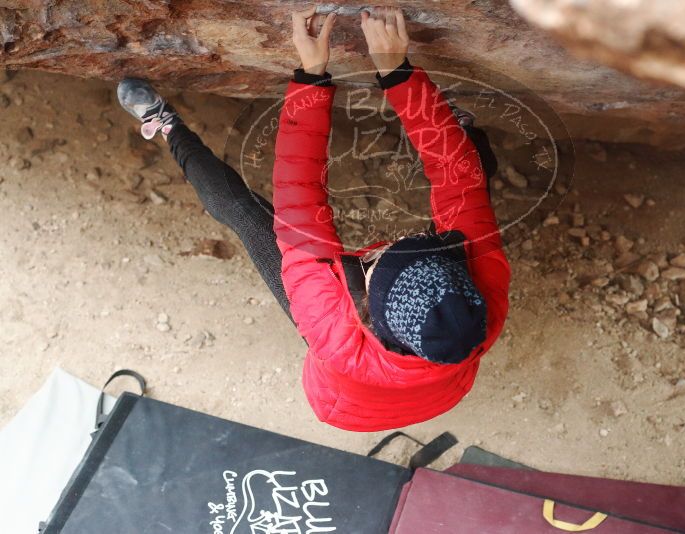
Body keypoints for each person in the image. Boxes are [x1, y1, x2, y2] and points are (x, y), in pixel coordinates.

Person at [116, 6, 510, 432]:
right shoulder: (484, 298)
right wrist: (397, 73)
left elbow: (298, 193)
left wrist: (310, 74)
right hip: (441, 391)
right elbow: (459, 181)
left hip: (343, 405)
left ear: (364, 307)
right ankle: (458, 127)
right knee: (468, 179)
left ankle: (169, 125)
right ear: (467, 286)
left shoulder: (330, 322)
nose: (382, 244)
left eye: (377, 259)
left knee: (246, 215)